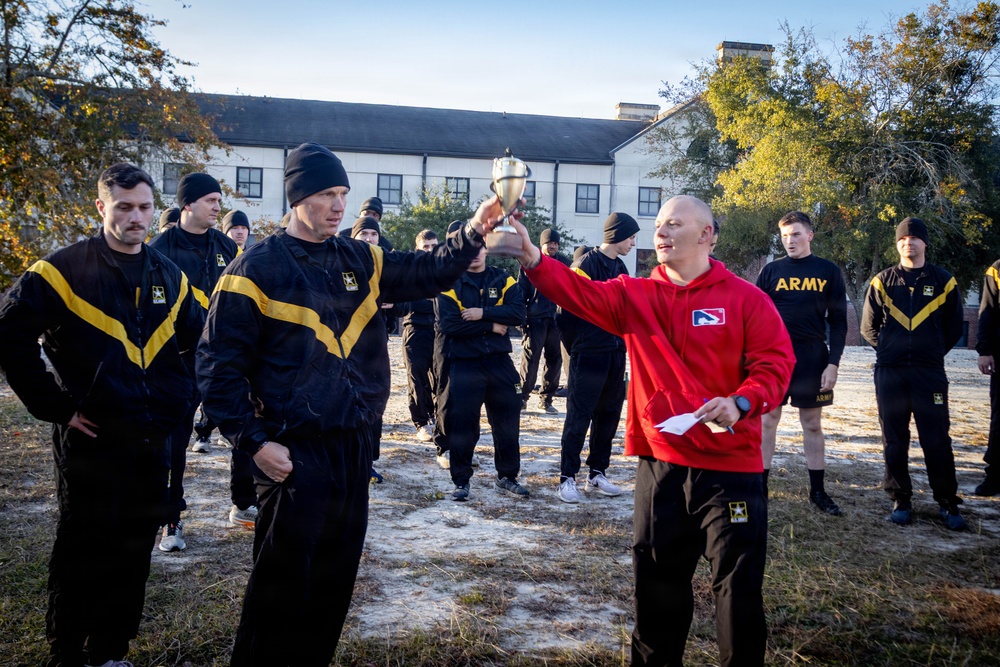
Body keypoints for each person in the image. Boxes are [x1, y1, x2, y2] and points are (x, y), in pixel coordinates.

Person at [196, 142, 492, 667]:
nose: (338, 205)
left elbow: (431, 272)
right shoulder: (253, 270)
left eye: (342, 194)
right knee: (282, 587)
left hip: (354, 444)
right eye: (326, 194)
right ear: (296, 197)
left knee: (334, 580)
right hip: (291, 451)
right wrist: (254, 443)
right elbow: (217, 368)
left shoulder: (362, 257)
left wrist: (473, 231)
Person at [508, 194, 793, 667]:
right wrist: (534, 258)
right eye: (658, 224)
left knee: (737, 591)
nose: (660, 232)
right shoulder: (633, 294)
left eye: (673, 224)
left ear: (706, 235)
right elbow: (577, 294)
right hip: (661, 467)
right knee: (657, 587)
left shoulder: (746, 298)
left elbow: (775, 365)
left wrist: (742, 401)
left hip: (731, 470)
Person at [0, 163, 205, 667]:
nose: (136, 218)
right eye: (124, 207)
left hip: (151, 437)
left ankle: (111, 651)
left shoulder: (168, 275)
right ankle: (66, 650)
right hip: (91, 437)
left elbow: (198, 343)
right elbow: (9, 333)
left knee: (135, 545)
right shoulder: (60, 270)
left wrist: (181, 397)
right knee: (83, 544)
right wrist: (57, 408)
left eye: (145, 208)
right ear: (101, 207)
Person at [148, 173, 255, 546]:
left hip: (225, 357)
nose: (217, 207)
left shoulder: (227, 246)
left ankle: (244, 503)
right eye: (211, 200)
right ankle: (171, 519)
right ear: (187, 204)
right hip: (178, 359)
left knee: (246, 425)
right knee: (173, 442)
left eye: (219, 200)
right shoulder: (159, 248)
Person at [861, 217, 967, 530]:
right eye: (903, 239)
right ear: (897, 244)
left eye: (914, 238)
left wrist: (928, 352)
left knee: (936, 439)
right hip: (890, 373)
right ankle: (900, 499)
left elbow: (951, 330)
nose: (909, 243)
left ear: (925, 243)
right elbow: (868, 327)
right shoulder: (882, 281)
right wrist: (891, 351)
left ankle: (947, 502)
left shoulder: (944, 281)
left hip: (929, 374)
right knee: (894, 438)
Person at [756, 211, 848, 515]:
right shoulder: (771, 271)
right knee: (768, 421)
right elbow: (754, 317)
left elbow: (838, 321)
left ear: (809, 235)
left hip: (812, 357)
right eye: (784, 236)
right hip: (774, 357)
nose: (789, 241)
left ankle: (818, 492)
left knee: (812, 424)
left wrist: (833, 364)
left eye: (795, 234)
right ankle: (760, 489)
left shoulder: (828, 271)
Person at [556, 213, 637, 504]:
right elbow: (565, 312)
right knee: (579, 416)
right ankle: (567, 478)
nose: (633, 242)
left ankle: (597, 473)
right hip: (588, 354)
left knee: (608, 416)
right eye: (631, 236)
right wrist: (579, 346)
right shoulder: (586, 264)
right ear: (617, 234)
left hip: (615, 353)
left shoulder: (620, 266)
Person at [436, 243, 528, 501]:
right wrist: (492, 325)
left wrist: (481, 313)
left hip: (500, 363)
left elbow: (518, 313)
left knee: (507, 423)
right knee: (464, 425)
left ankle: (507, 476)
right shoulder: (451, 282)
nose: (475, 253)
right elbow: (449, 324)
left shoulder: (503, 278)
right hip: (465, 364)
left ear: (487, 250)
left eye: (480, 247)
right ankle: (461, 481)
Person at [518, 228, 570, 414]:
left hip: (557, 319)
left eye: (555, 243)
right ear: (542, 244)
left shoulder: (565, 263)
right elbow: (521, 291)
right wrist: (521, 318)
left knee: (554, 360)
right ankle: (522, 397)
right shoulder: (530, 262)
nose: (553, 246)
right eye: (549, 243)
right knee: (530, 358)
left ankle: (546, 399)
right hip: (535, 318)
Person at [401, 229, 440, 442]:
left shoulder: (445, 271)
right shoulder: (410, 271)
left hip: (439, 330)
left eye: (433, 246)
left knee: (439, 377)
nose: (429, 250)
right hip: (414, 329)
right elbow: (405, 301)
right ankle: (421, 422)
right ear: (418, 248)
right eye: (425, 246)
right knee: (416, 378)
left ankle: (436, 417)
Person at [976, 259, 1000, 496]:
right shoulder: (997, 270)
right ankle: (995, 475)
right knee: (999, 418)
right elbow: (987, 312)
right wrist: (984, 350)